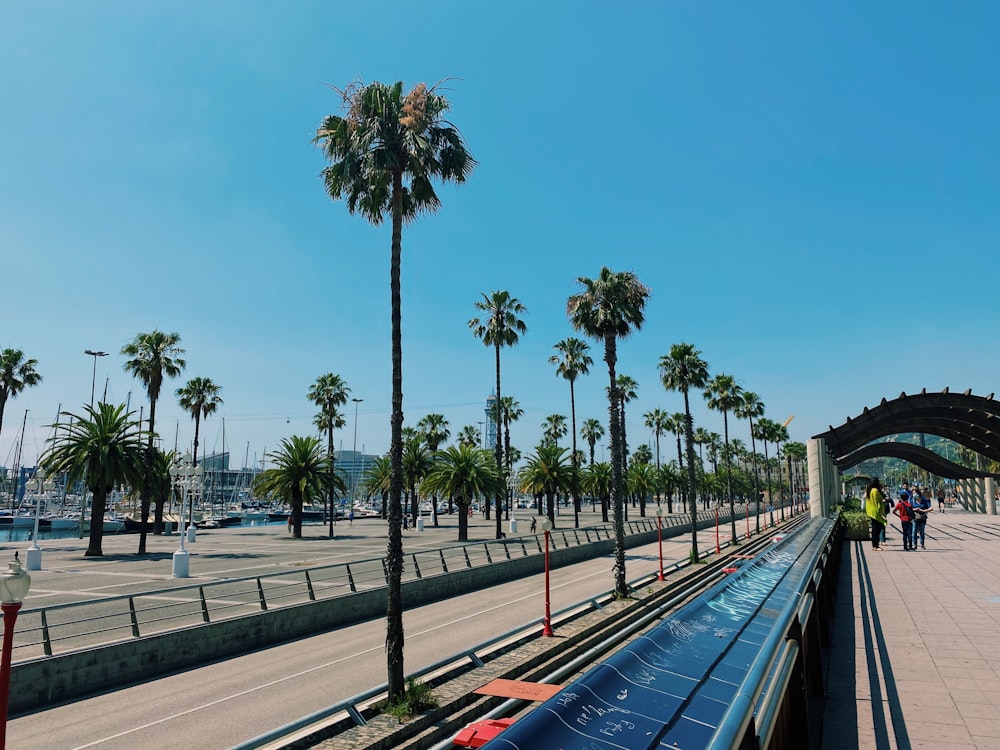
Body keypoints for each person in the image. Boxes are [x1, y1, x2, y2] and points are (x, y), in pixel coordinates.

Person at [865, 478, 887, 551]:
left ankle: (875, 545)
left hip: (871, 511)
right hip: (876, 512)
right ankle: (875, 546)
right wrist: (882, 513)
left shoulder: (869, 490)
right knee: (876, 530)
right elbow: (877, 502)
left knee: (874, 529)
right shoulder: (875, 491)